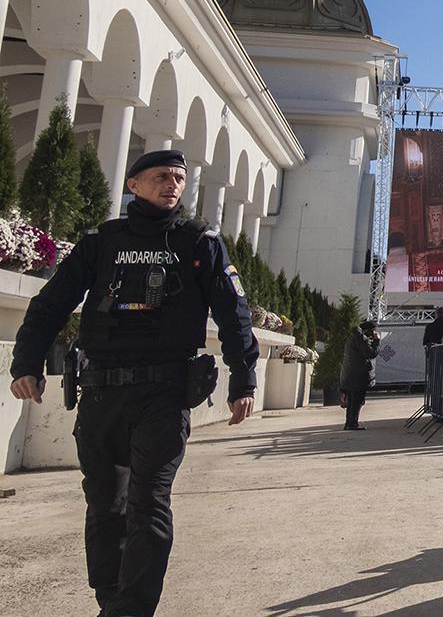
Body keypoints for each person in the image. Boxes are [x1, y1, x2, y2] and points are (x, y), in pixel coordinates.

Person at [8, 149, 257, 617]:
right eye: (162, 176)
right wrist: (27, 362)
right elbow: (51, 302)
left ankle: (131, 609)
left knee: (149, 502)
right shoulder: (103, 240)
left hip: (163, 395)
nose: (173, 185)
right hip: (101, 394)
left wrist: (243, 379)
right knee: (105, 505)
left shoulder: (199, 241)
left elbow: (233, 313)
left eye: (180, 178)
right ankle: (112, 600)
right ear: (134, 185)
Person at [340, 320, 381, 430]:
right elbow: (371, 353)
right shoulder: (360, 338)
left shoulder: (355, 336)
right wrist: (377, 341)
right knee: (357, 400)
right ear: (369, 331)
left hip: (352, 374)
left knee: (353, 400)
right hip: (358, 375)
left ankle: (349, 423)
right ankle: (352, 423)